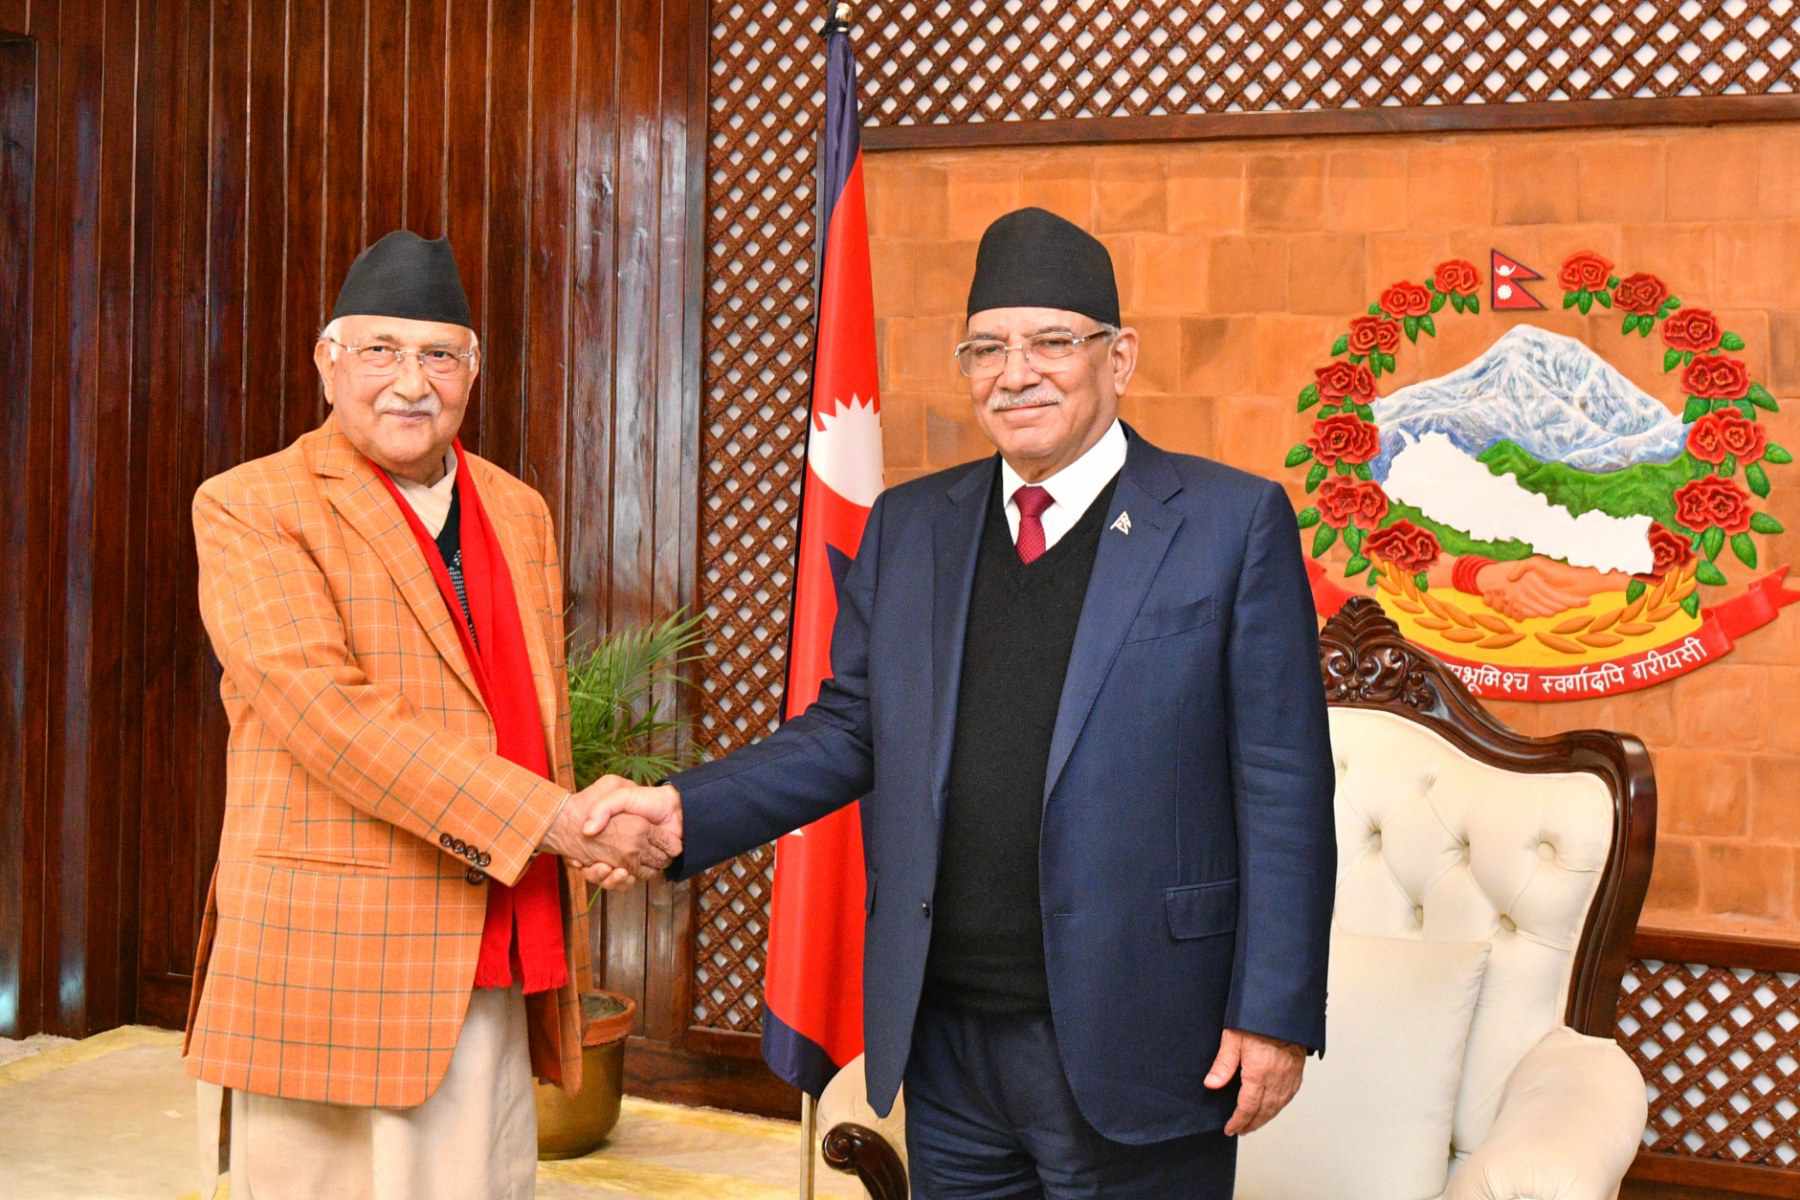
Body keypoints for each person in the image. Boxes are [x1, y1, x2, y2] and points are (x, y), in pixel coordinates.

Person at [596, 207, 1336, 1196]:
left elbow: (1284, 786)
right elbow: (850, 728)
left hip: (1146, 1031)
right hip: (946, 1042)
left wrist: (1274, 1010)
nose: (1015, 373)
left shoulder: (1228, 522)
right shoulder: (912, 526)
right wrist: (685, 811)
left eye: (1051, 343)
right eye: (987, 348)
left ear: (1118, 358)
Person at [184, 231, 675, 1200]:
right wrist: (556, 822)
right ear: (329, 361)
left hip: (493, 932)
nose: (412, 383)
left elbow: (529, 719)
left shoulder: (516, 510)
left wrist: (580, 830)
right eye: (381, 351)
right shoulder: (252, 506)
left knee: (480, 1181)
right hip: (329, 950)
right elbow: (331, 718)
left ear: (472, 370)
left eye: (439, 355)